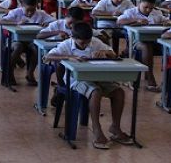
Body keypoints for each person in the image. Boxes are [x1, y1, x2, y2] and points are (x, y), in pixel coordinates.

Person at [45, 22, 133, 150]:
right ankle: (97, 131)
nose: (86, 45)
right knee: (95, 92)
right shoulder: (66, 45)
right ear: (73, 38)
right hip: (75, 79)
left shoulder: (95, 42)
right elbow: (47, 56)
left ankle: (115, 127)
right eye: (82, 43)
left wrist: (106, 53)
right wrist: (70, 57)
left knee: (119, 92)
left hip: (97, 76)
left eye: (87, 42)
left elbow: (114, 55)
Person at [116, 0, 171, 91]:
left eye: (151, 7)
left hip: (156, 41)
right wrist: (136, 20)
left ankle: (168, 80)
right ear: (139, 4)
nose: (148, 10)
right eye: (145, 7)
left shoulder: (157, 12)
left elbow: (168, 21)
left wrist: (168, 23)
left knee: (168, 48)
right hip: (136, 42)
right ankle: (150, 78)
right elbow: (119, 22)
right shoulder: (131, 12)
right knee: (146, 46)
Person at [0, 0, 56, 86]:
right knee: (18, 47)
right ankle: (10, 72)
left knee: (36, 49)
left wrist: (47, 23)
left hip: (32, 41)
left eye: (32, 10)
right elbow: (2, 21)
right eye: (27, 10)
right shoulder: (16, 12)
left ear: (36, 7)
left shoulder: (41, 13)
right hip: (16, 40)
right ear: (22, 6)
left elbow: (54, 20)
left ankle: (30, 73)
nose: (30, 13)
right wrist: (16, 23)